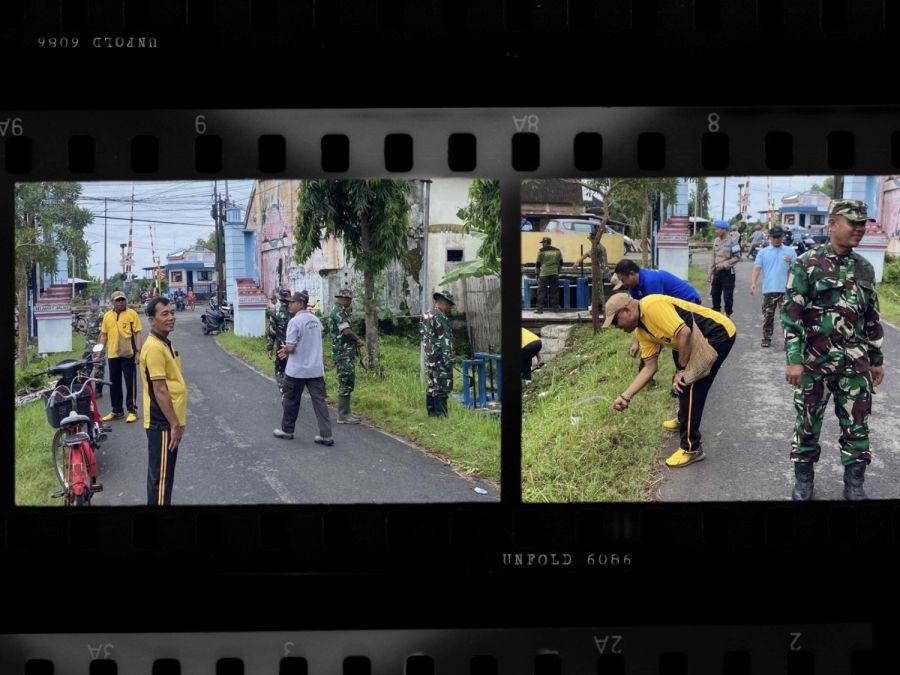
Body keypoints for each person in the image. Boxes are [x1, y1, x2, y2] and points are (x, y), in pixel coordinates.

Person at [781, 199, 885, 501]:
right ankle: (803, 483)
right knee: (807, 425)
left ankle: (854, 485)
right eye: (853, 222)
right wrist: (795, 360)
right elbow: (792, 314)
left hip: (855, 365)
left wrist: (876, 360)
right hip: (814, 365)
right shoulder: (807, 263)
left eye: (863, 223)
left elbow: (872, 317)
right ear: (833, 224)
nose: (860, 229)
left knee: (857, 426)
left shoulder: (864, 268)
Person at [604, 292, 736, 468]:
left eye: (616, 321)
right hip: (687, 340)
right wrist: (625, 396)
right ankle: (683, 418)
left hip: (716, 333)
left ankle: (692, 448)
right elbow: (649, 367)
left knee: (688, 384)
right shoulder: (641, 330)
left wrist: (682, 370)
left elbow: (684, 332)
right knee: (681, 380)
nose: (617, 327)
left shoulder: (651, 305)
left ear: (627, 311)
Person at [613, 259, 702, 405]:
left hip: (689, 303)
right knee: (659, 340)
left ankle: (682, 380)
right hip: (672, 309)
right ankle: (672, 381)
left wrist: (645, 344)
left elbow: (654, 316)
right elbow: (638, 317)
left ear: (632, 274)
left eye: (623, 280)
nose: (623, 284)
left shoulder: (651, 282)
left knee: (680, 343)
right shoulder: (634, 287)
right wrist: (637, 341)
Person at [139, 297, 187, 506]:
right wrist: (174, 424)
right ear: (151, 320)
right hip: (162, 423)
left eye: (172, 313)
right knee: (161, 481)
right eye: (164, 314)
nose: (171, 318)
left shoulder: (163, 342)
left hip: (168, 421)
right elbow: (160, 389)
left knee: (164, 477)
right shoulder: (154, 348)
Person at [273, 291, 334, 445]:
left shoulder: (295, 322)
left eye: (292, 302)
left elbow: (291, 347)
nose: (289, 305)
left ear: (300, 304)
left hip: (297, 371)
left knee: (291, 401)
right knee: (320, 402)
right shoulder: (315, 320)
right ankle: (326, 435)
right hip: (315, 369)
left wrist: (285, 350)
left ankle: (287, 430)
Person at [94, 290, 143, 423]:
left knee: (130, 383)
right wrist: (98, 351)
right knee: (114, 383)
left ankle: (132, 410)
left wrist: (138, 352)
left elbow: (137, 333)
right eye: (118, 300)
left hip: (129, 354)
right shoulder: (107, 316)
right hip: (113, 354)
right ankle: (117, 410)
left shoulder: (132, 314)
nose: (121, 302)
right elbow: (103, 335)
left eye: (123, 299)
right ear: (112, 302)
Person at [749, 226, 796, 348]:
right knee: (768, 315)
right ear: (770, 237)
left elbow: (798, 269)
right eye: (774, 237)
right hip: (769, 289)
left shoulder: (790, 252)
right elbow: (757, 269)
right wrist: (753, 283)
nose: (776, 239)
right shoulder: (763, 252)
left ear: (782, 237)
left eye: (778, 237)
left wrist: (791, 262)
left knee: (786, 317)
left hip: (786, 290)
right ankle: (766, 337)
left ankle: (788, 340)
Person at [329, 288, 365, 424]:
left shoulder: (343, 311)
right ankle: (343, 415)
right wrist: (358, 340)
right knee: (345, 380)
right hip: (342, 353)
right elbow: (347, 331)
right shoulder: (338, 312)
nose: (350, 301)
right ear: (343, 299)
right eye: (348, 299)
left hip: (346, 352)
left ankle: (346, 411)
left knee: (348, 380)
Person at [420, 290, 455, 417]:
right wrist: (448, 358)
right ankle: (442, 415)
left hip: (430, 356)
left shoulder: (426, 315)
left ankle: (432, 412)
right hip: (440, 357)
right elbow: (444, 339)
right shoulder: (440, 316)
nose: (450, 307)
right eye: (449, 304)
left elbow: (424, 336)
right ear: (444, 303)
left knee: (432, 384)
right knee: (441, 385)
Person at [709, 220, 741, 317]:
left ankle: (727, 314)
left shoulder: (733, 241)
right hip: (717, 272)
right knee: (714, 293)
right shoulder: (716, 241)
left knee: (728, 296)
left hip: (727, 273)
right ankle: (716, 313)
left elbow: (737, 257)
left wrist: (724, 264)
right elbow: (713, 256)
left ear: (724, 230)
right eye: (716, 228)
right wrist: (710, 272)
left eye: (718, 229)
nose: (716, 231)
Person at [266, 288, 292, 394]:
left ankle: (283, 391)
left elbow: (272, 332)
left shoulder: (275, 313)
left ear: (280, 299)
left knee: (280, 371)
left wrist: (269, 347)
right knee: (293, 370)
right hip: (294, 348)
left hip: (281, 348)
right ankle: (292, 392)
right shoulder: (295, 313)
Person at [81, 295, 106, 398]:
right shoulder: (88, 315)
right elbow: (88, 330)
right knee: (85, 368)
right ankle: (85, 390)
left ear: (96, 303)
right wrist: (81, 329)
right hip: (88, 346)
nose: (89, 306)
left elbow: (104, 332)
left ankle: (98, 390)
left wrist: (100, 346)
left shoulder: (102, 316)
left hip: (98, 345)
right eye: (88, 304)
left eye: (90, 304)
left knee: (98, 369)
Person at [534, 236, 563, 314]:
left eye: (542, 243)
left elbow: (538, 263)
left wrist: (537, 273)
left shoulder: (541, 251)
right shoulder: (558, 251)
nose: (542, 244)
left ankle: (539, 309)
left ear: (546, 242)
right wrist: (558, 271)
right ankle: (555, 308)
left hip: (544, 274)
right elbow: (560, 263)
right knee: (555, 291)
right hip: (554, 273)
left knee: (541, 292)